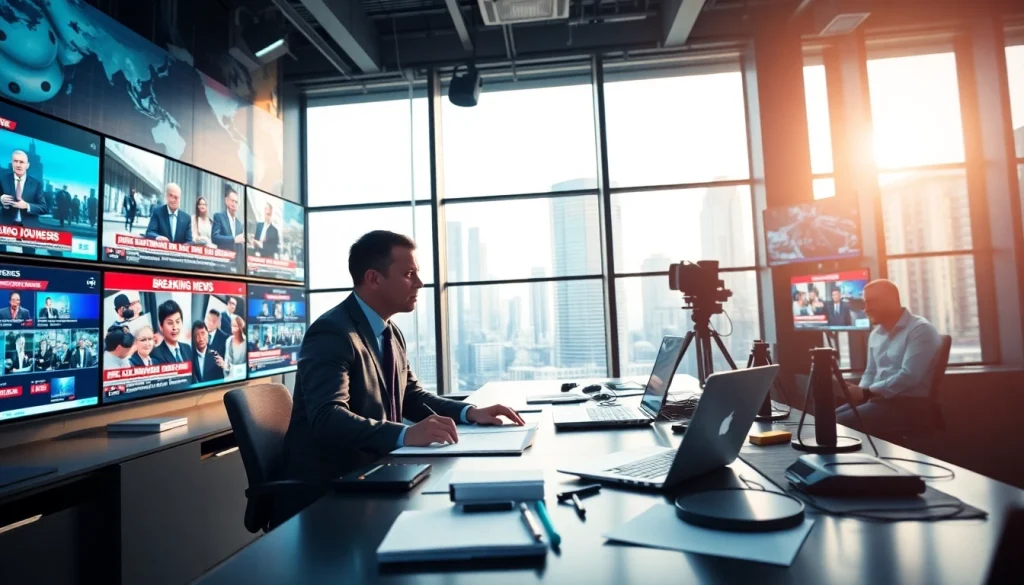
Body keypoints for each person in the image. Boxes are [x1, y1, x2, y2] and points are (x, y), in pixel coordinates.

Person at [277, 230, 523, 525]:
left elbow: (411, 396)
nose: (419, 283)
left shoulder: (390, 332)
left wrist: (469, 412)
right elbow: (327, 418)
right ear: (373, 278)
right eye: (409, 274)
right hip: (331, 491)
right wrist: (404, 435)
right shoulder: (332, 333)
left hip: (379, 473)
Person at [836, 279, 944, 436]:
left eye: (871, 302)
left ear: (891, 301)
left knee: (842, 423)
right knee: (828, 418)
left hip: (910, 405)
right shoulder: (875, 334)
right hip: (879, 400)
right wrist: (860, 393)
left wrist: (866, 392)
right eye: (865, 303)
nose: (865, 309)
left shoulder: (921, 330)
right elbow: (871, 372)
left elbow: (909, 376)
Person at [0, 150, 47, 229]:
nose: (18, 165)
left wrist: (27, 205)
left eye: (21, 162)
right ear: (12, 163)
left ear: (27, 165)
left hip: (29, 228)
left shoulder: (36, 184)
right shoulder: (2, 179)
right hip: (6, 226)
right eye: (16, 161)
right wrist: (0, 199)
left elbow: (43, 208)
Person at [151, 300, 193, 365]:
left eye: (178, 322)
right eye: (170, 323)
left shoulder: (187, 348)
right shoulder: (155, 354)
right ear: (161, 327)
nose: (175, 327)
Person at [212, 188, 245, 256]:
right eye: (232, 201)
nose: (234, 204)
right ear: (226, 201)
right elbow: (215, 237)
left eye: (236, 202)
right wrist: (233, 239)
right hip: (222, 259)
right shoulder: (218, 217)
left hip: (237, 263)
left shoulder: (239, 225)